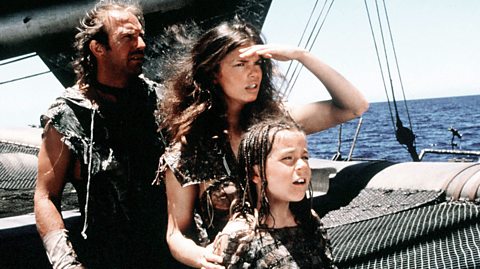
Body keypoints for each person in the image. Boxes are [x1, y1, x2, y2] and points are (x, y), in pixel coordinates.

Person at [159, 20, 368, 268]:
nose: (254, 73)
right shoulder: (190, 148)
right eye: (241, 64)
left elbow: (354, 106)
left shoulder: (277, 125)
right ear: (214, 73)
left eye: (258, 63)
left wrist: (301, 56)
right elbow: (176, 233)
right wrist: (200, 258)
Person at [34, 2, 175, 268]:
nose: (142, 44)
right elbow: (45, 197)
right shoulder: (68, 114)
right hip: (108, 258)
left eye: (141, 35)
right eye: (128, 37)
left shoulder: (161, 102)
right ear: (98, 48)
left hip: (172, 254)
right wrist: (65, 263)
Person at [213, 116, 337, 268]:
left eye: (305, 157)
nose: (303, 165)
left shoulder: (308, 220)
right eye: (288, 158)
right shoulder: (240, 236)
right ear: (255, 173)